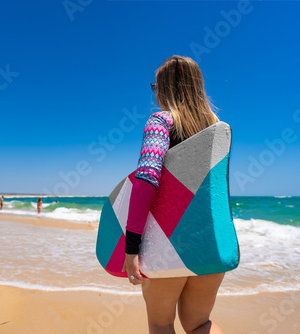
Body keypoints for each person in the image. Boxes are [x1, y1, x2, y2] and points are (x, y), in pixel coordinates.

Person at [121, 56, 225, 334]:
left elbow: (146, 179)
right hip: (211, 243)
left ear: (165, 88)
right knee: (199, 324)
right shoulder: (218, 128)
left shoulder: (161, 120)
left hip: (168, 243)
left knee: (161, 322)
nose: (154, 93)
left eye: (155, 86)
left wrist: (131, 248)